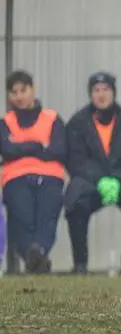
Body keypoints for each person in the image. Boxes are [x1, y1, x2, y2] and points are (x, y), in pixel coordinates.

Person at [64, 72, 121, 274]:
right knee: (75, 200)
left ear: (114, 93)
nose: (101, 95)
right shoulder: (78, 122)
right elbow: (76, 160)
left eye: (106, 89)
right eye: (96, 90)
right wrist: (100, 179)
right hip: (91, 181)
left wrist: (116, 178)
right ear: (90, 94)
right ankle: (80, 264)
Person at [0, 70, 66, 274]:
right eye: (14, 92)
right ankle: (35, 255)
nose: (19, 96)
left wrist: (21, 147)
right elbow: (6, 150)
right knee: (21, 214)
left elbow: (59, 150)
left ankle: (35, 252)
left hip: (50, 176)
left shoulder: (52, 118)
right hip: (15, 177)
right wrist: (38, 146)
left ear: (33, 90)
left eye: (23, 90)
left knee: (47, 214)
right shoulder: (5, 122)